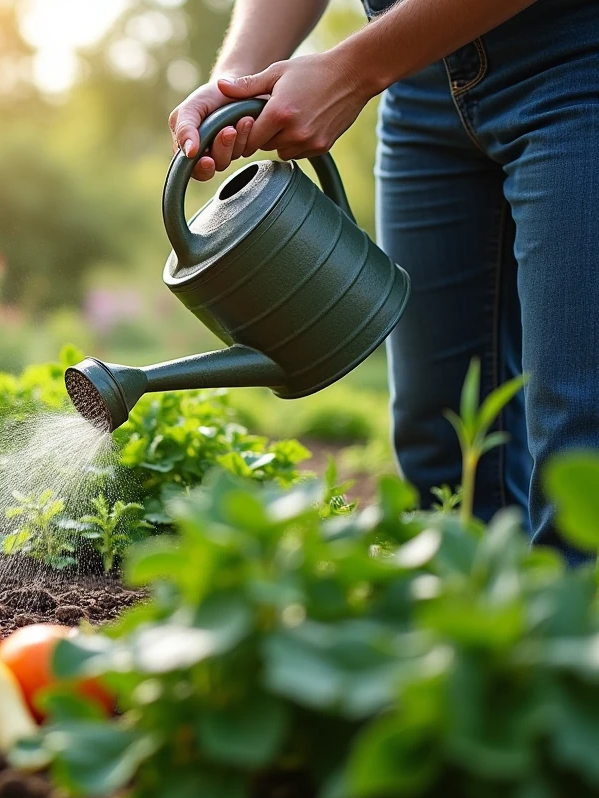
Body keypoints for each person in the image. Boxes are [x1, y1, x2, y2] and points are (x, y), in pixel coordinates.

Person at [169, 0, 599, 561]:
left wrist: (352, 69)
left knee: (579, 449)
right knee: (439, 450)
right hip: (417, 82)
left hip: (572, 53)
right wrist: (235, 84)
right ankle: (478, 637)